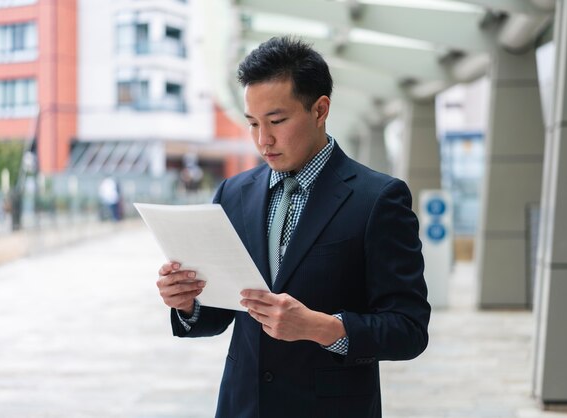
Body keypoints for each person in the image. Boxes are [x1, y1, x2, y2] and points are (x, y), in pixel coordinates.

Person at [156, 36, 430, 418]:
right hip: (242, 406)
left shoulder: (378, 199)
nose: (262, 140)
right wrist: (187, 302)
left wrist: (322, 327)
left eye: (277, 121)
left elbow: (409, 330)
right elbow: (220, 313)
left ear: (320, 110)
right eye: (252, 123)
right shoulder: (234, 194)